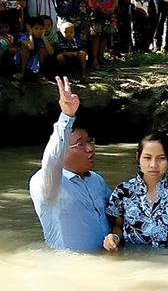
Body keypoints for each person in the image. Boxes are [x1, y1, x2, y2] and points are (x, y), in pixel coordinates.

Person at [29, 76, 112, 252]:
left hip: (104, 266)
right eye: (81, 144)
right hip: (69, 268)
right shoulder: (49, 184)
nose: (90, 149)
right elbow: (51, 161)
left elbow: (115, 215)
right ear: (63, 148)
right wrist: (66, 117)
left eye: (90, 142)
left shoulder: (96, 180)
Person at [104, 132, 168, 250]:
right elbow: (118, 227)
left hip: (167, 261)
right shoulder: (123, 191)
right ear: (138, 157)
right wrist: (114, 238)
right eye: (147, 158)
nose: (153, 165)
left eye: (161, 158)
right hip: (131, 259)